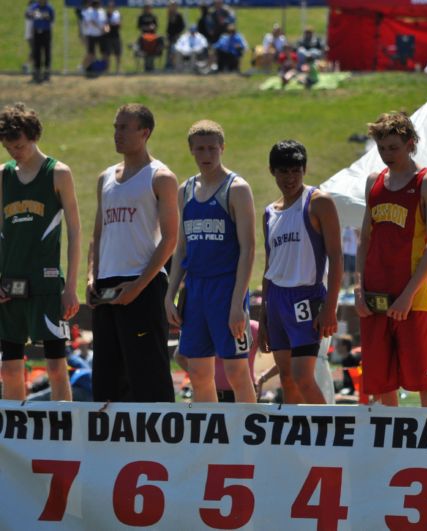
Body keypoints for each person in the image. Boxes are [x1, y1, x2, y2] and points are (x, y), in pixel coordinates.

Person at [88, 103, 178, 403]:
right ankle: (111, 446)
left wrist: (138, 287)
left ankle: (157, 447)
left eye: (124, 128)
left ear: (145, 132)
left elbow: (170, 240)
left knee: (147, 374)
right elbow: (98, 234)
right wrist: (91, 277)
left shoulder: (160, 177)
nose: (117, 134)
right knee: (107, 375)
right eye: (116, 127)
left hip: (143, 284)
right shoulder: (105, 178)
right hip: (106, 287)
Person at [355, 112, 427, 407]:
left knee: (425, 381)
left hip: (411, 297)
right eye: (381, 148)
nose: (387, 155)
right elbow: (365, 238)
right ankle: (390, 452)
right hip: (375, 295)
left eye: (393, 147)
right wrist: (359, 289)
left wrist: (407, 295)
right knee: (381, 384)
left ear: (410, 143)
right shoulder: (374, 181)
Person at [164, 120, 256, 403]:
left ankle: (249, 442)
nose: (207, 154)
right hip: (195, 291)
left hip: (226, 288)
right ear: (191, 150)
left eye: (212, 148)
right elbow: (181, 250)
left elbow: (248, 248)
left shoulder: (237, 188)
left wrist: (238, 304)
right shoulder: (185, 190)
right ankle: (212, 443)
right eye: (200, 148)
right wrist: (169, 295)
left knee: (236, 371)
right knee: (199, 372)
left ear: (222, 148)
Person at [0, 103, 81, 402]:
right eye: (9, 148)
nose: (15, 152)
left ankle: (65, 433)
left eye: (19, 145)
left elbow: (74, 232)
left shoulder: (57, 173)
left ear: (34, 136)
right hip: (10, 285)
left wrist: (70, 287)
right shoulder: (3, 176)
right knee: (9, 369)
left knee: (56, 366)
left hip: (46, 284)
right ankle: (12, 442)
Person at [257, 140, 343, 404]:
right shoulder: (270, 213)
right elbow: (270, 266)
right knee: (286, 378)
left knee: (304, 377)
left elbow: (337, 257)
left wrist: (330, 308)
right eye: (283, 171)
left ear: (304, 169)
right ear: (272, 171)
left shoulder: (319, 202)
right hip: (276, 301)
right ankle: (295, 438)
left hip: (307, 297)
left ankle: (330, 434)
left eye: (296, 170)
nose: (290, 178)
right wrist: (263, 319)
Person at [26, 0, 55, 83]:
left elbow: (51, 18)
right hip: (36, 32)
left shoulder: (49, 8)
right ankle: (37, 75)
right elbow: (28, 14)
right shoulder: (34, 6)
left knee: (47, 53)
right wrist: (41, 15)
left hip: (46, 32)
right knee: (37, 54)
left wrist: (38, 15)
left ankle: (46, 75)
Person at [165, 0, 186, 70]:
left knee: (176, 51)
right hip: (170, 37)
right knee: (169, 51)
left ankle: (177, 65)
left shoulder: (179, 15)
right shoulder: (169, 15)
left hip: (177, 37)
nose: (172, 7)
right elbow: (169, 28)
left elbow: (182, 26)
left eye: (173, 6)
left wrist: (178, 34)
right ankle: (169, 65)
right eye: (171, 6)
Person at [105, 0, 122, 74]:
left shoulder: (117, 14)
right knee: (108, 54)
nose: (111, 8)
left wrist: (114, 25)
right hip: (108, 37)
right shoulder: (105, 15)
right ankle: (108, 69)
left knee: (117, 53)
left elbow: (120, 25)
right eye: (109, 6)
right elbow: (106, 27)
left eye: (112, 6)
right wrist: (108, 27)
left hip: (116, 36)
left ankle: (118, 69)